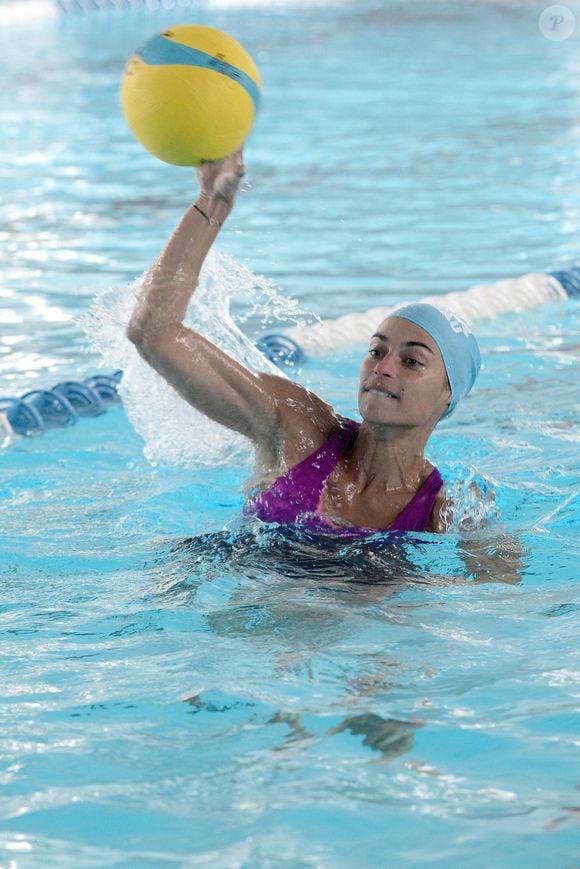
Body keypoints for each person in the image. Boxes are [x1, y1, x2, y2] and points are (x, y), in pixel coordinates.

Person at [127, 150, 481, 535]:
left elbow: (504, 589)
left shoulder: (447, 510)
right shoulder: (296, 425)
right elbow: (154, 333)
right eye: (376, 351)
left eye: (412, 361)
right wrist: (212, 204)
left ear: (448, 394)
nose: (383, 367)